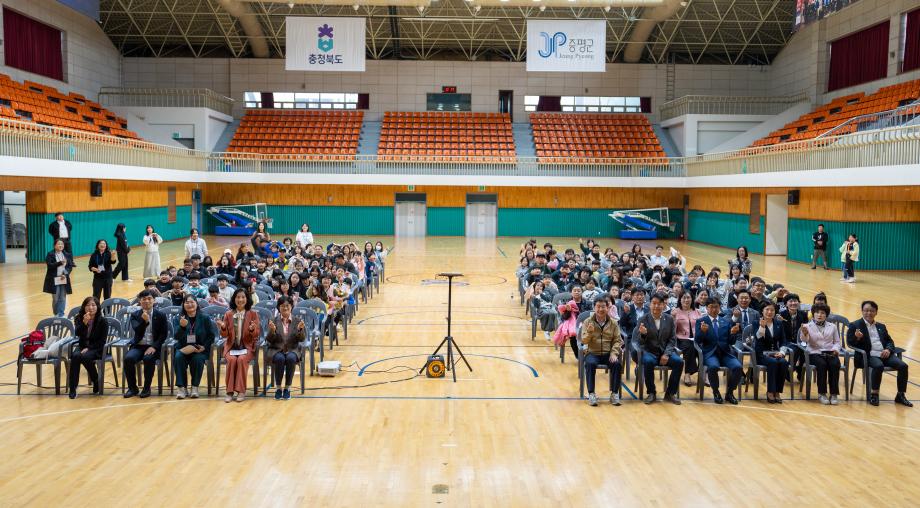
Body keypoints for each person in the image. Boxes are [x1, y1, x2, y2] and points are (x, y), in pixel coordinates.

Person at [846, 301, 912, 407]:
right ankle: (874, 394)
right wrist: (857, 338)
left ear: (876, 312)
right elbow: (850, 343)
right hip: (868, 355)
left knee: (903, 366)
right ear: (862, 311)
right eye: (866, 310)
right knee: (878, 366)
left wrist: (888, 350)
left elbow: (890, 341)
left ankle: (900, 395)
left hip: (884, 354)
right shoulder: (855, 325)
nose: (869, 313)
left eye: (872, 311)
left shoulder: (881, 326)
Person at [633, 293, 683, 404]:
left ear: (663, 305)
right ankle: (652, 393)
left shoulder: (669, 319)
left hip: (665, 351)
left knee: (679, 362)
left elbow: (672, 339)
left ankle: (670, 393)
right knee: (648, 362)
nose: (656, 306)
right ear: (649, 304)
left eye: (659, 304)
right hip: (649, 351)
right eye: (654, 303)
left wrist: (666, 354)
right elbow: (638, 342)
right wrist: (643, 334)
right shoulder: (643, 319)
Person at [695, 297, 743, 405]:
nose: (714, 310)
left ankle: (729, 393)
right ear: (707, 308)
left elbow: (731, 342)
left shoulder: (725, 321)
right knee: (713, 367)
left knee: (738, 367)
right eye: (711, 307)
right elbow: (697, 341)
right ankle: (716, 392)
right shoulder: (701, 321)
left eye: (716, 307)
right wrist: (702, 332)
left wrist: (733, 333)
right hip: (710, 353)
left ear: (719, 308)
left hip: (725, 353)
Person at [219, 288, 260, 403]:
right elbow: (224, 335)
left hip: (246, 347)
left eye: (243, 297)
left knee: (241, 360)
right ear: (234, 299)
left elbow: (257, 334)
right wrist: (223, 327)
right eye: (238, 297)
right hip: (231, 347)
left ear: (247, 299)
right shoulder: (228, 314)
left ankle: (241, 391)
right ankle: (229, 392)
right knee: (232, 360)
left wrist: (253, 329)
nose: (240, 299)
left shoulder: (253, 314)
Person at [582, 296, 624, 406]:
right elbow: (583, 340)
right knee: (590, 364)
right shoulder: (587, 321)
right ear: (594, 308)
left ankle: (614, 393)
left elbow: (617, 340)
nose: (601, 309)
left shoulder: (613, 323)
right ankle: (591, 393)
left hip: (608, 353)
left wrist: (614, 353)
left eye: (603, 307)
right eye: (598, 307)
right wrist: (590, 332)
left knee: (616, 364)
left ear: (608, 308)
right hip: (592, 352)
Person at [125, 290, 168, 398]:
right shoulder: (135, 315)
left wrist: (154, 347)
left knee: (148, 359)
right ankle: (132, 388)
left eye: (149, 299)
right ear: (140, 301)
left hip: (154, 346)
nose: (147, 301)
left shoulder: (161, 315)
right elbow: (137, 330)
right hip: (139, 345)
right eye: (144, 299)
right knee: (128, 359)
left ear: (154, 300)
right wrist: (144, 322)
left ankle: (146, 388)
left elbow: (163, 335)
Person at [173, 295, 215, 399]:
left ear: (196, 304)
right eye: (187, 302)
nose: (190, 304)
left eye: (192, 302)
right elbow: (176, 337)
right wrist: (182, 327)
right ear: (183, 305)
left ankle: (195, 387)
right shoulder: (178, 318)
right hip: (184, 347)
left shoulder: (204, 318)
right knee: (178, 357)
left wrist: (204, 347)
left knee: (197, 359)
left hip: (199, 349)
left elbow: (211, 336)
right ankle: (181, 388)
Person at [799, 303, 841, 405]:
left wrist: (835, 349)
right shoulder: (806, 326)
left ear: (826, 315)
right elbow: (804, 341)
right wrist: (804, 333)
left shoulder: (833, 327)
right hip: (814, 353)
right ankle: (822, 393)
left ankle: (834, 394)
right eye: (817, 312)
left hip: (829, 352)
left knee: (835, 364)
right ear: (813, 314)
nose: (819, 315)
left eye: (822, 313)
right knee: (822, 365)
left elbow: (837, 342)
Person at [266, 296, 305, 400]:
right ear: (279, 307)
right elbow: (269, 340)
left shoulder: (297, 320)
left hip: (292, 349)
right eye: (282, 306)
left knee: (291, 358)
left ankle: (287, 388)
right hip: (277, 349)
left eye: (287, 306)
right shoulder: (273, 320)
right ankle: (278, 388)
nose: (285, 308)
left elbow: (301, 339)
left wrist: (300, 330)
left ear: (291, 306)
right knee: (280, 359)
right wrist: (272, 331)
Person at [68, 296, 107, 398]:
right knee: (75, 357)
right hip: (82, 346)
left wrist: (89, 348)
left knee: (85, 357)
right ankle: (73, 388)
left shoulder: (103, 321)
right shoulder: (79, 318)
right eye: (88, 305)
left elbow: (102, 341)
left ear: (97, 307)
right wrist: (84, 323)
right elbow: (77, 333)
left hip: (97, 348)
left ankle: (95, 380)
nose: (91, 307)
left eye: (93, 305)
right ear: (84, 307)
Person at [752, 303, 789, 403]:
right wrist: (762, 327)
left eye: (772, 310)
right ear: (762, 311)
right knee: (773, 362)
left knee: (783, 362)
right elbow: (758, 338)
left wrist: (781, 352)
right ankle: (770, 391)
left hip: (775, 353)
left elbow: (783, 341)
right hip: (761, 354)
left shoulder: (778, 323)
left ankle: (777, 391)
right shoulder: (756, 322)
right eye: (767, 309)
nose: (769, 312)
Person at [671, 292, 701, 387]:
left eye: (688, 298)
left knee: (704, 347)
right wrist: (673, 318)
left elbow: (701, 326)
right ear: (680, 299)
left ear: (692, 299)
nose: (686, 300)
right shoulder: (675, 311)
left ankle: (706, 373)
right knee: (690, 346)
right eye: (684, 298)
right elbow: (671, 330)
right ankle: (687, 374)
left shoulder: (697, 312)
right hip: (680, 339)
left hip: (696, 338)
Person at [43, 239, 74, 317]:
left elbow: (70, 266)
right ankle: (56, 313)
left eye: (62, 244)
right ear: (54, 245)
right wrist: (60, 263)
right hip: (54, 279)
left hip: (63, 278)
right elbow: (50, 265)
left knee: (63, 297)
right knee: (56, 298)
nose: (61, 246)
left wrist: (65, 274)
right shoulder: (50, 254)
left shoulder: (67, 254)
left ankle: (61, 314)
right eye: (59, 244)